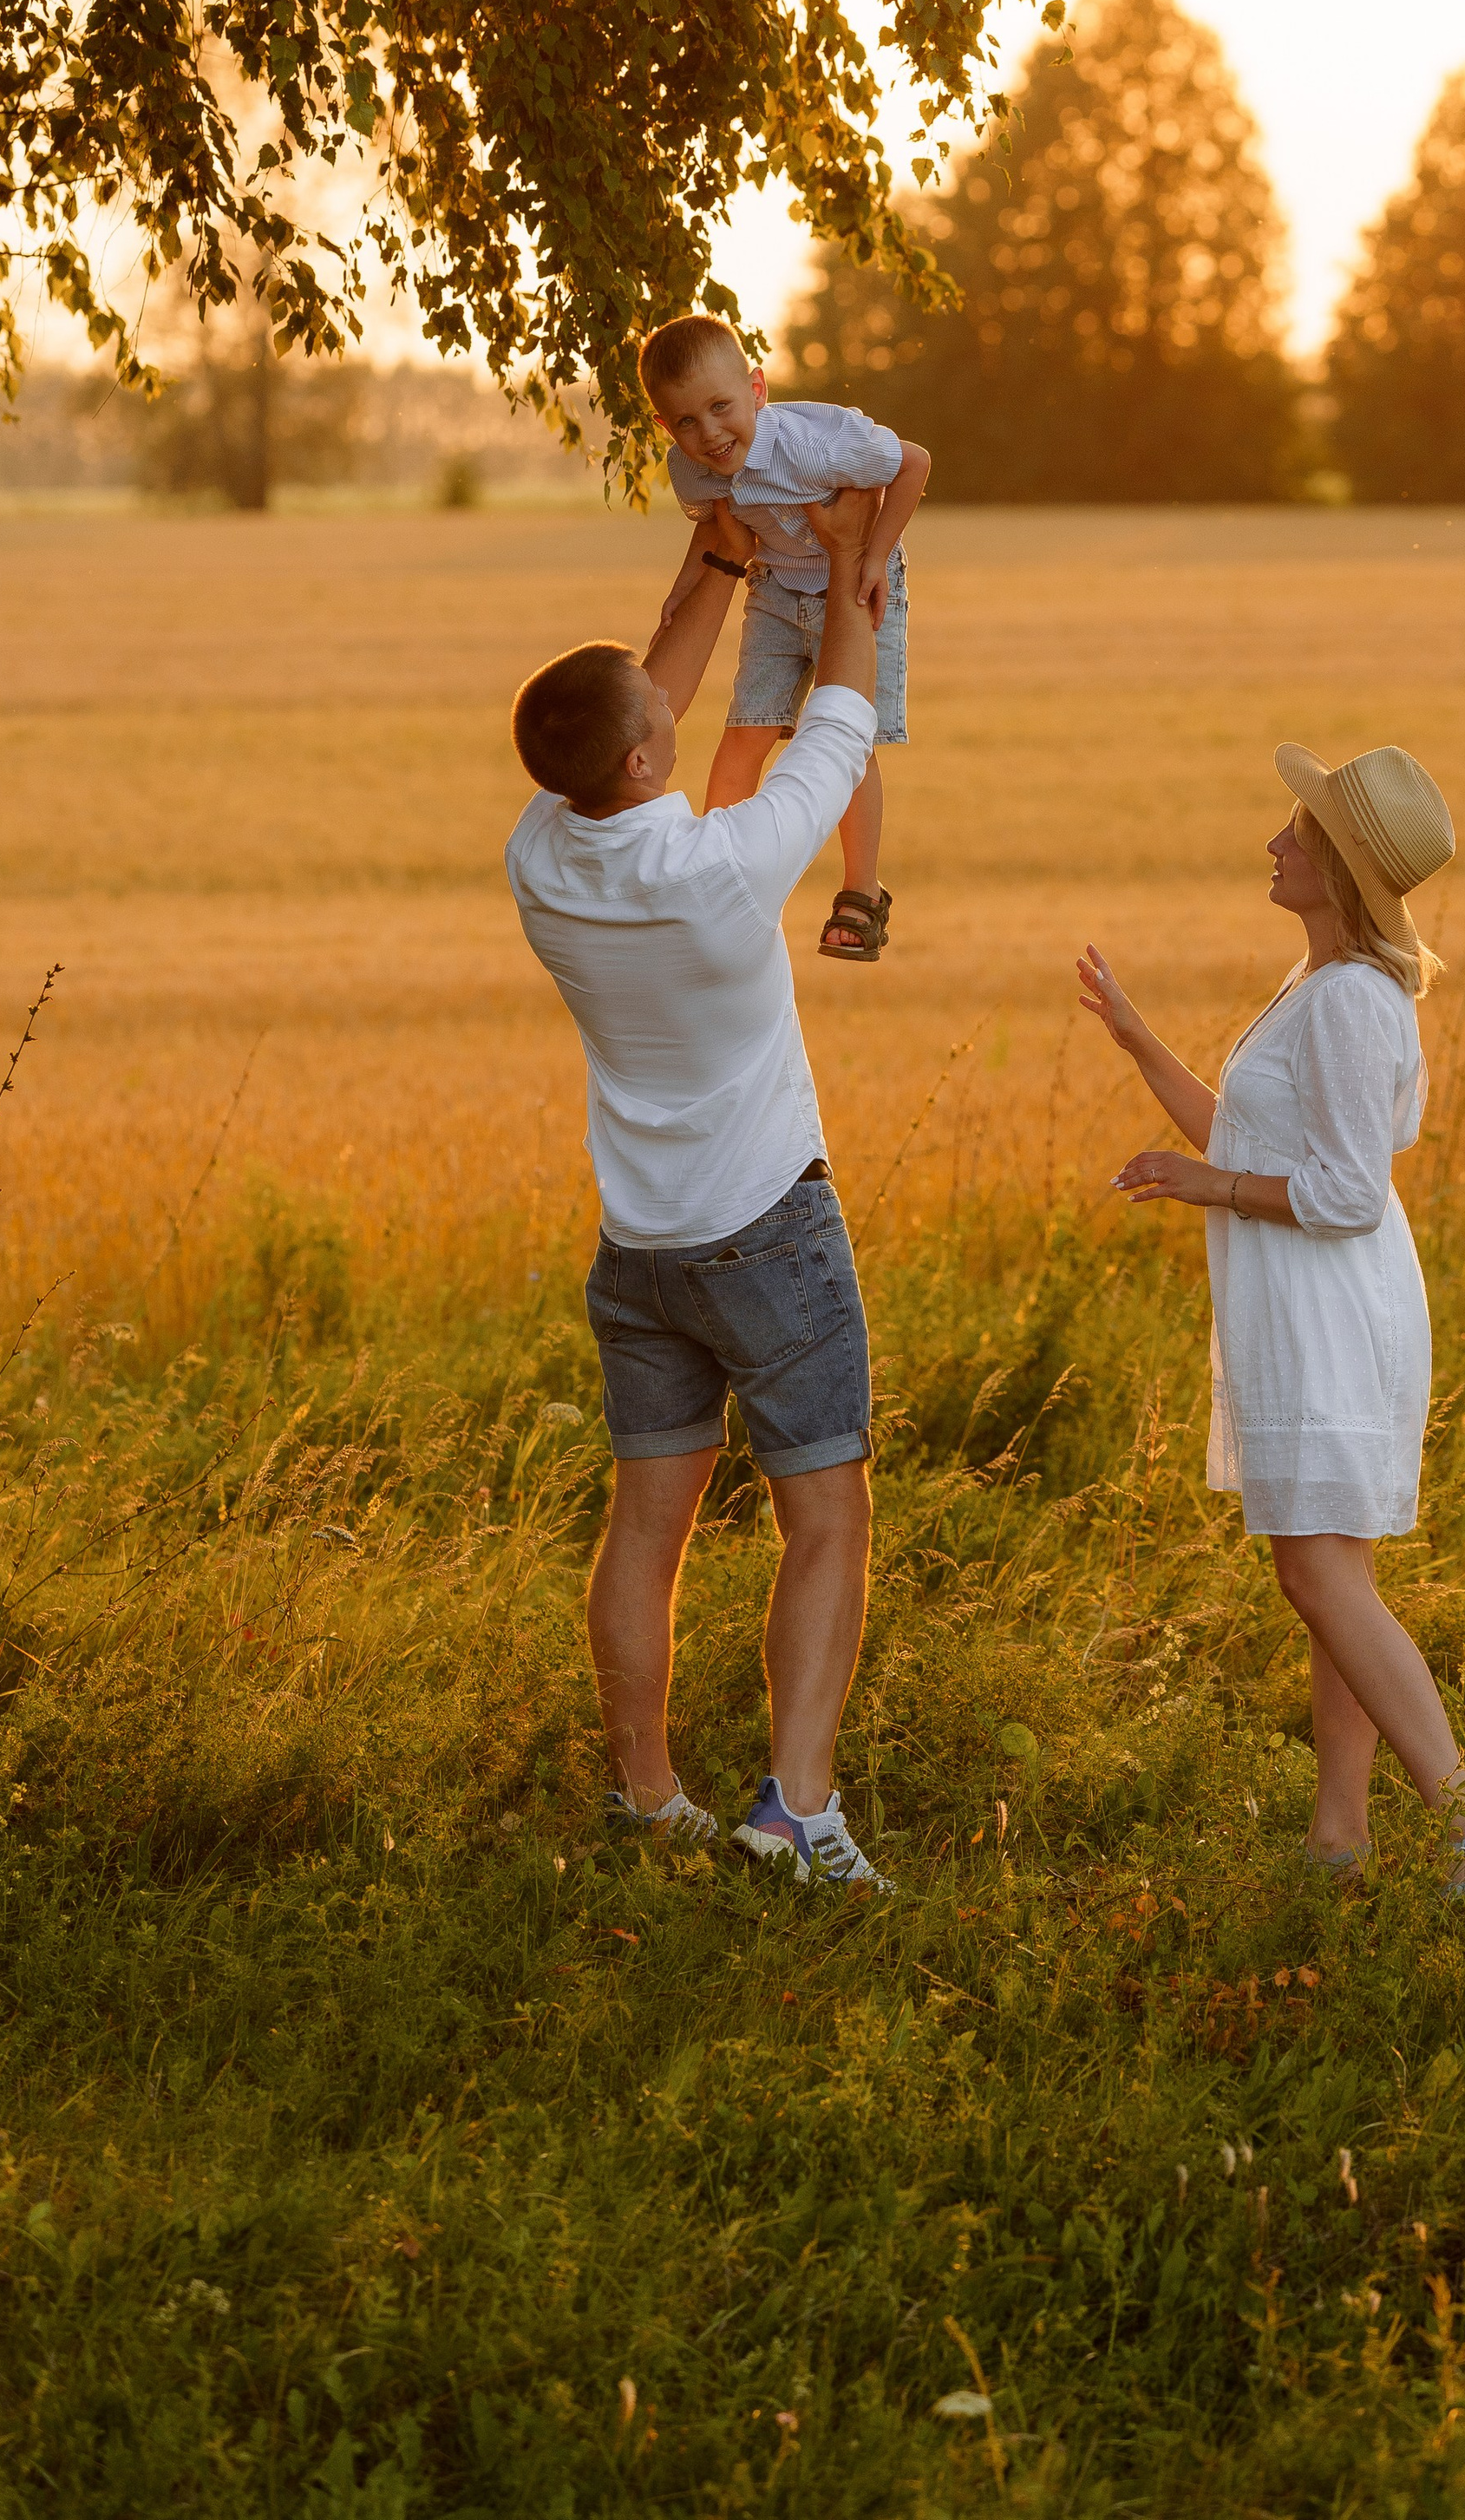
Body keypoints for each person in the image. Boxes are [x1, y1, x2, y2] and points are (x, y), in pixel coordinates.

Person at [505, 483, 892, 1888]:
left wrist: (718, 560)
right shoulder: (721, 869)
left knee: (648, 1521)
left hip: (641, 1246)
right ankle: (797, 1811)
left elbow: (630, 710)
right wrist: (851, 564)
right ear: (652, 759)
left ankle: (649, 1793)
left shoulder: (542, 854)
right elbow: (840, 723)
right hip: (767, 1233)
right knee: (826, 1513)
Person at [1076, 743, 1465, 1896]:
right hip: (1314, 1305)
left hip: (1333, 1308)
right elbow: (1250, 1138)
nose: (1275, 845)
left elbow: (1343, 1193)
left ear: (1338, 868)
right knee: (1333, 1574)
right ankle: (1340, 1837)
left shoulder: (1350, 1007)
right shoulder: (1321, 992)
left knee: (1317, 1576)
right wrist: (1135, 1038)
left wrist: (1201, 1185)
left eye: (1296, 834)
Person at [643, 312, 929, 966]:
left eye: (721, 407)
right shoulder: (691, 470)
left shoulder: (815, 445)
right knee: (745, 730)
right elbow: (714, 526)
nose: (710, 433)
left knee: (848, 739)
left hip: (853, 580)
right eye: (686, 421)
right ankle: (720, 873)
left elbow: (913, 463)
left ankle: (862, 893)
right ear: (665, 426)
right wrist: (685, 585)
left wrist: (875, 557)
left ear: (758, 389)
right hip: (774, 589)